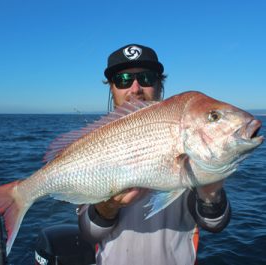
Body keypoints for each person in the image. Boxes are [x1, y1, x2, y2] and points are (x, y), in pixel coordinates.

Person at [78, 44, 231, 265]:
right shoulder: (93, 144)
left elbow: (214, 224)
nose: (135, 88)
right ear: (112, 88)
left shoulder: (187, 135)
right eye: (123, 80)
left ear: (160, 85)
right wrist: (107, 206)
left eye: (147, 78)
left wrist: (210, 195)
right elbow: (89, 233)